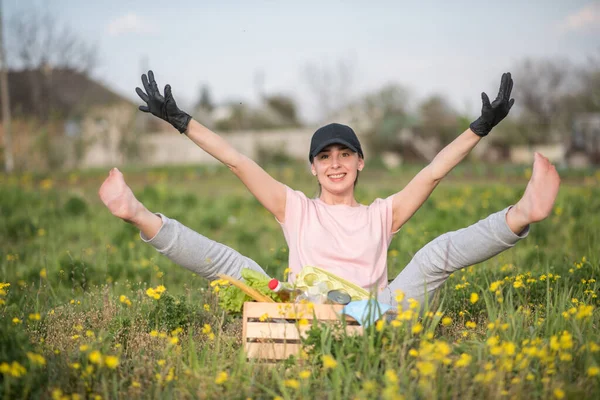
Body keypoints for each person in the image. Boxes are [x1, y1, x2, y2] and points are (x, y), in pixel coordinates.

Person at [99, 71, 560, 310]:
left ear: (360, 163)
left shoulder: (383, 213)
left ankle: (521, 213)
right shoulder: (295, 209)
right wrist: (182, 121)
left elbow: (434, 171)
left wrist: (480, 128)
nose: (335, 163)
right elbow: (237, 161)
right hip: (306, 314)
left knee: (436, 255)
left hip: (376, 317)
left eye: (344, 155)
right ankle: (140, 215)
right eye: (325, 157)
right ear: (314, 168)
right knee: (234, 266)